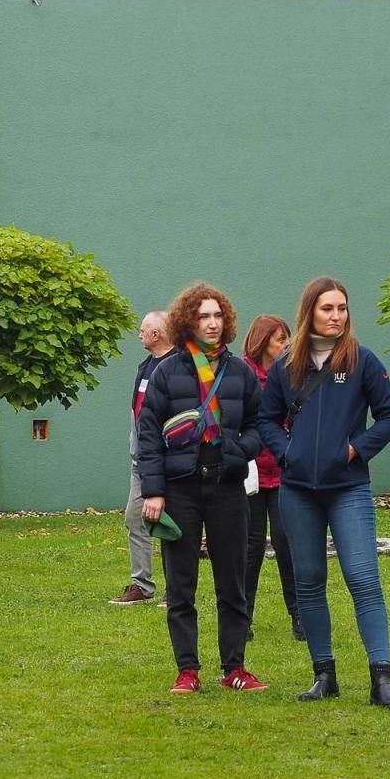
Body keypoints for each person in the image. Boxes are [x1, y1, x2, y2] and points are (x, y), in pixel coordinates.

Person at [258, 277, 390, 708]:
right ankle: (324, 675)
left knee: (363, 579)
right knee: (309, 582)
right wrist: (288, 454)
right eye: (328, 308)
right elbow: (266, 418)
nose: (337, 316)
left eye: (342, 308)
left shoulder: (362, 361)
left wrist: (356, 448)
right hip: (298, 491)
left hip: (348, 489)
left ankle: (382, 680)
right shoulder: (286, 365)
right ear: (310, 313)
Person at [137, 282, 267, 695]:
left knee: (232, 580)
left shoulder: (241, 372)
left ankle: (234, 669)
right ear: (188, 322)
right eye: (202, 316)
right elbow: (148, 435)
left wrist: (236, 450)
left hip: (227, 486)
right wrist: (153, 492)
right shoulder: (167, 371)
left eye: (217, 316)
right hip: (180, 490)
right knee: (181, 584)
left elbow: (261, 426)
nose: (211, 324)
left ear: (226, 321)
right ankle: (187, 671)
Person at [241, 314, 303, 640]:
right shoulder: (241, 374)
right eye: (280, 339)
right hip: (250, 475)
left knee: (286, 542)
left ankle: (299, 616)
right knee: (249, 548)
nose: (286, 345)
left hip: (282, 471)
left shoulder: (290, 375)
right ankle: (243, 619)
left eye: (286, 338)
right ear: (263, 341)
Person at [110, 311, 173, 606]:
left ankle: (176, 589)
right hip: (141, 459)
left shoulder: (177, 367)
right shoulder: (145, 366)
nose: (139, 334)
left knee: (174, 524)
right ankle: (142, 585)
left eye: (143, 329)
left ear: (157, 335)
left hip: (169, 461)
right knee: (135, 518)